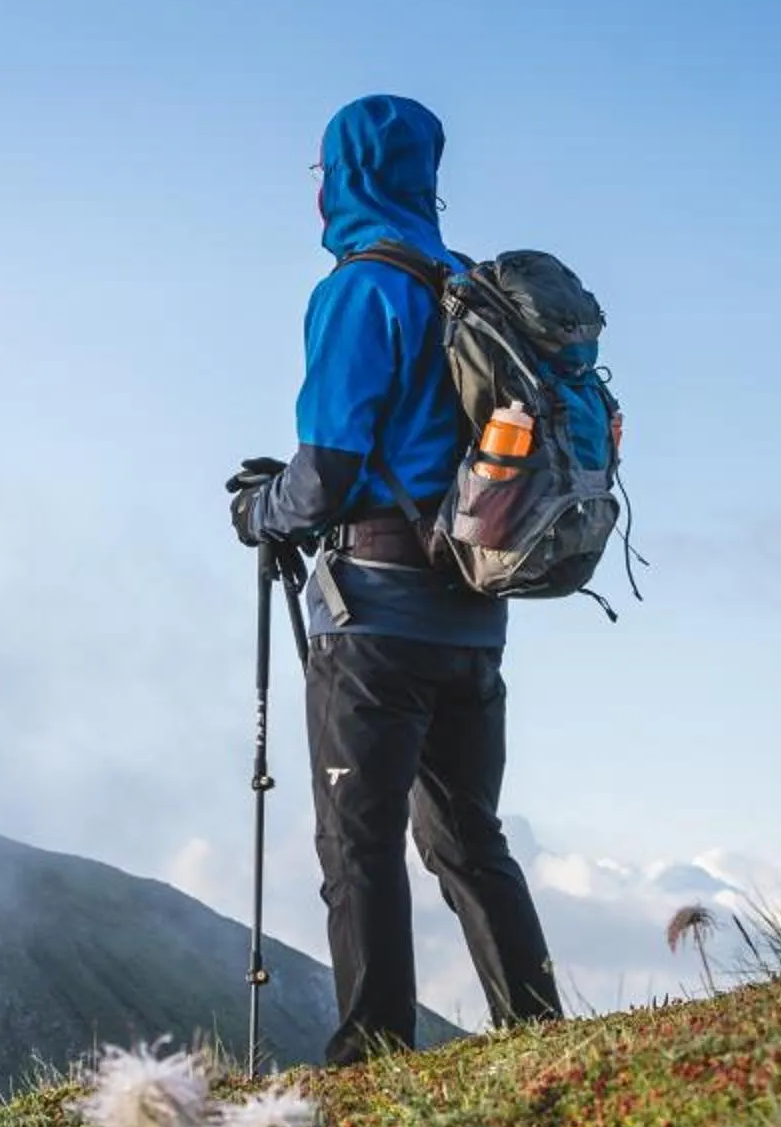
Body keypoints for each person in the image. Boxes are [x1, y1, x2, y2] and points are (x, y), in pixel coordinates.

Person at [226, 93, 563, 1066]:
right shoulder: (475, 289)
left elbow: (326, 469)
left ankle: (372, 1048)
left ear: (343, 176)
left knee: (358, 841)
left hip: (375, 612)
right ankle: (536, 1032)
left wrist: (261, 510)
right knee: (468, 837)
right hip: (476, 608)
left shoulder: (360, 289)